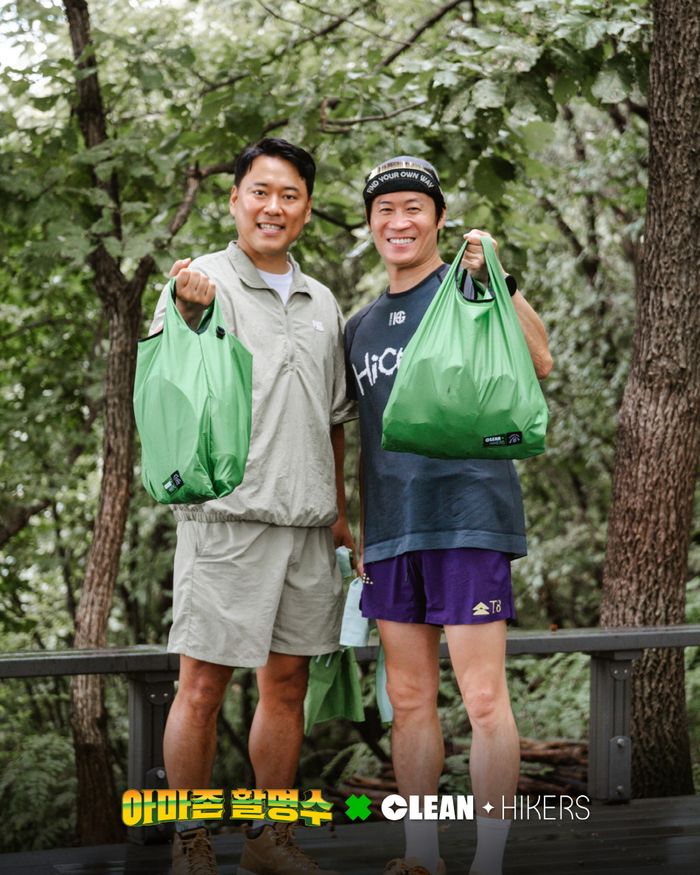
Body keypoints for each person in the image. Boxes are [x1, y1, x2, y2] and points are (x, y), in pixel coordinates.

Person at [149, 138, 355, 875]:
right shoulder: (202, 279)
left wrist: (339, 510)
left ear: (305, 210)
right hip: (227, 521)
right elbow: (169, 381)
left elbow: (334, 419)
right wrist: (187, 311)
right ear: (235, 199)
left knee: (288, 685)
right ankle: (189, 839)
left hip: (305, 526)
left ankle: (270, 839)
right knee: (200, 687)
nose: (274, 206)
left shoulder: (322, 299)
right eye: (260, 191)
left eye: (290, 194)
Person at [344, 157, 553, 875]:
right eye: (385, 210)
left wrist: (499, 277)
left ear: (436, 217)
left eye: (413, 208)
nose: (398, 222)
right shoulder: (360, 327)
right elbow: (364, 439)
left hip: (468, 514)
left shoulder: (466, 287)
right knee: (407, 698)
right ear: (371, 223)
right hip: (394, 530)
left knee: (485, 695)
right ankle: (420, 853)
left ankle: (488, 860)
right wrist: (361, 535)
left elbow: (540, 361)